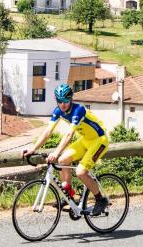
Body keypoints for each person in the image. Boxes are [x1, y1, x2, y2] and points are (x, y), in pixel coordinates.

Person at [23, 83, 110, 216]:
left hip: (99, 141)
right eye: (59, 101)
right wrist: (33, 149)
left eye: (65, 101)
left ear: (71, 99)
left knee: (81, 172)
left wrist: (56, 152)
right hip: (85, 140)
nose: (62, 104)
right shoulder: (58, 111)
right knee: (63, 160)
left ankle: (100, 199)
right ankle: (68, 194)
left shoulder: (78, 110)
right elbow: (47, 132)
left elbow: (69, 135)